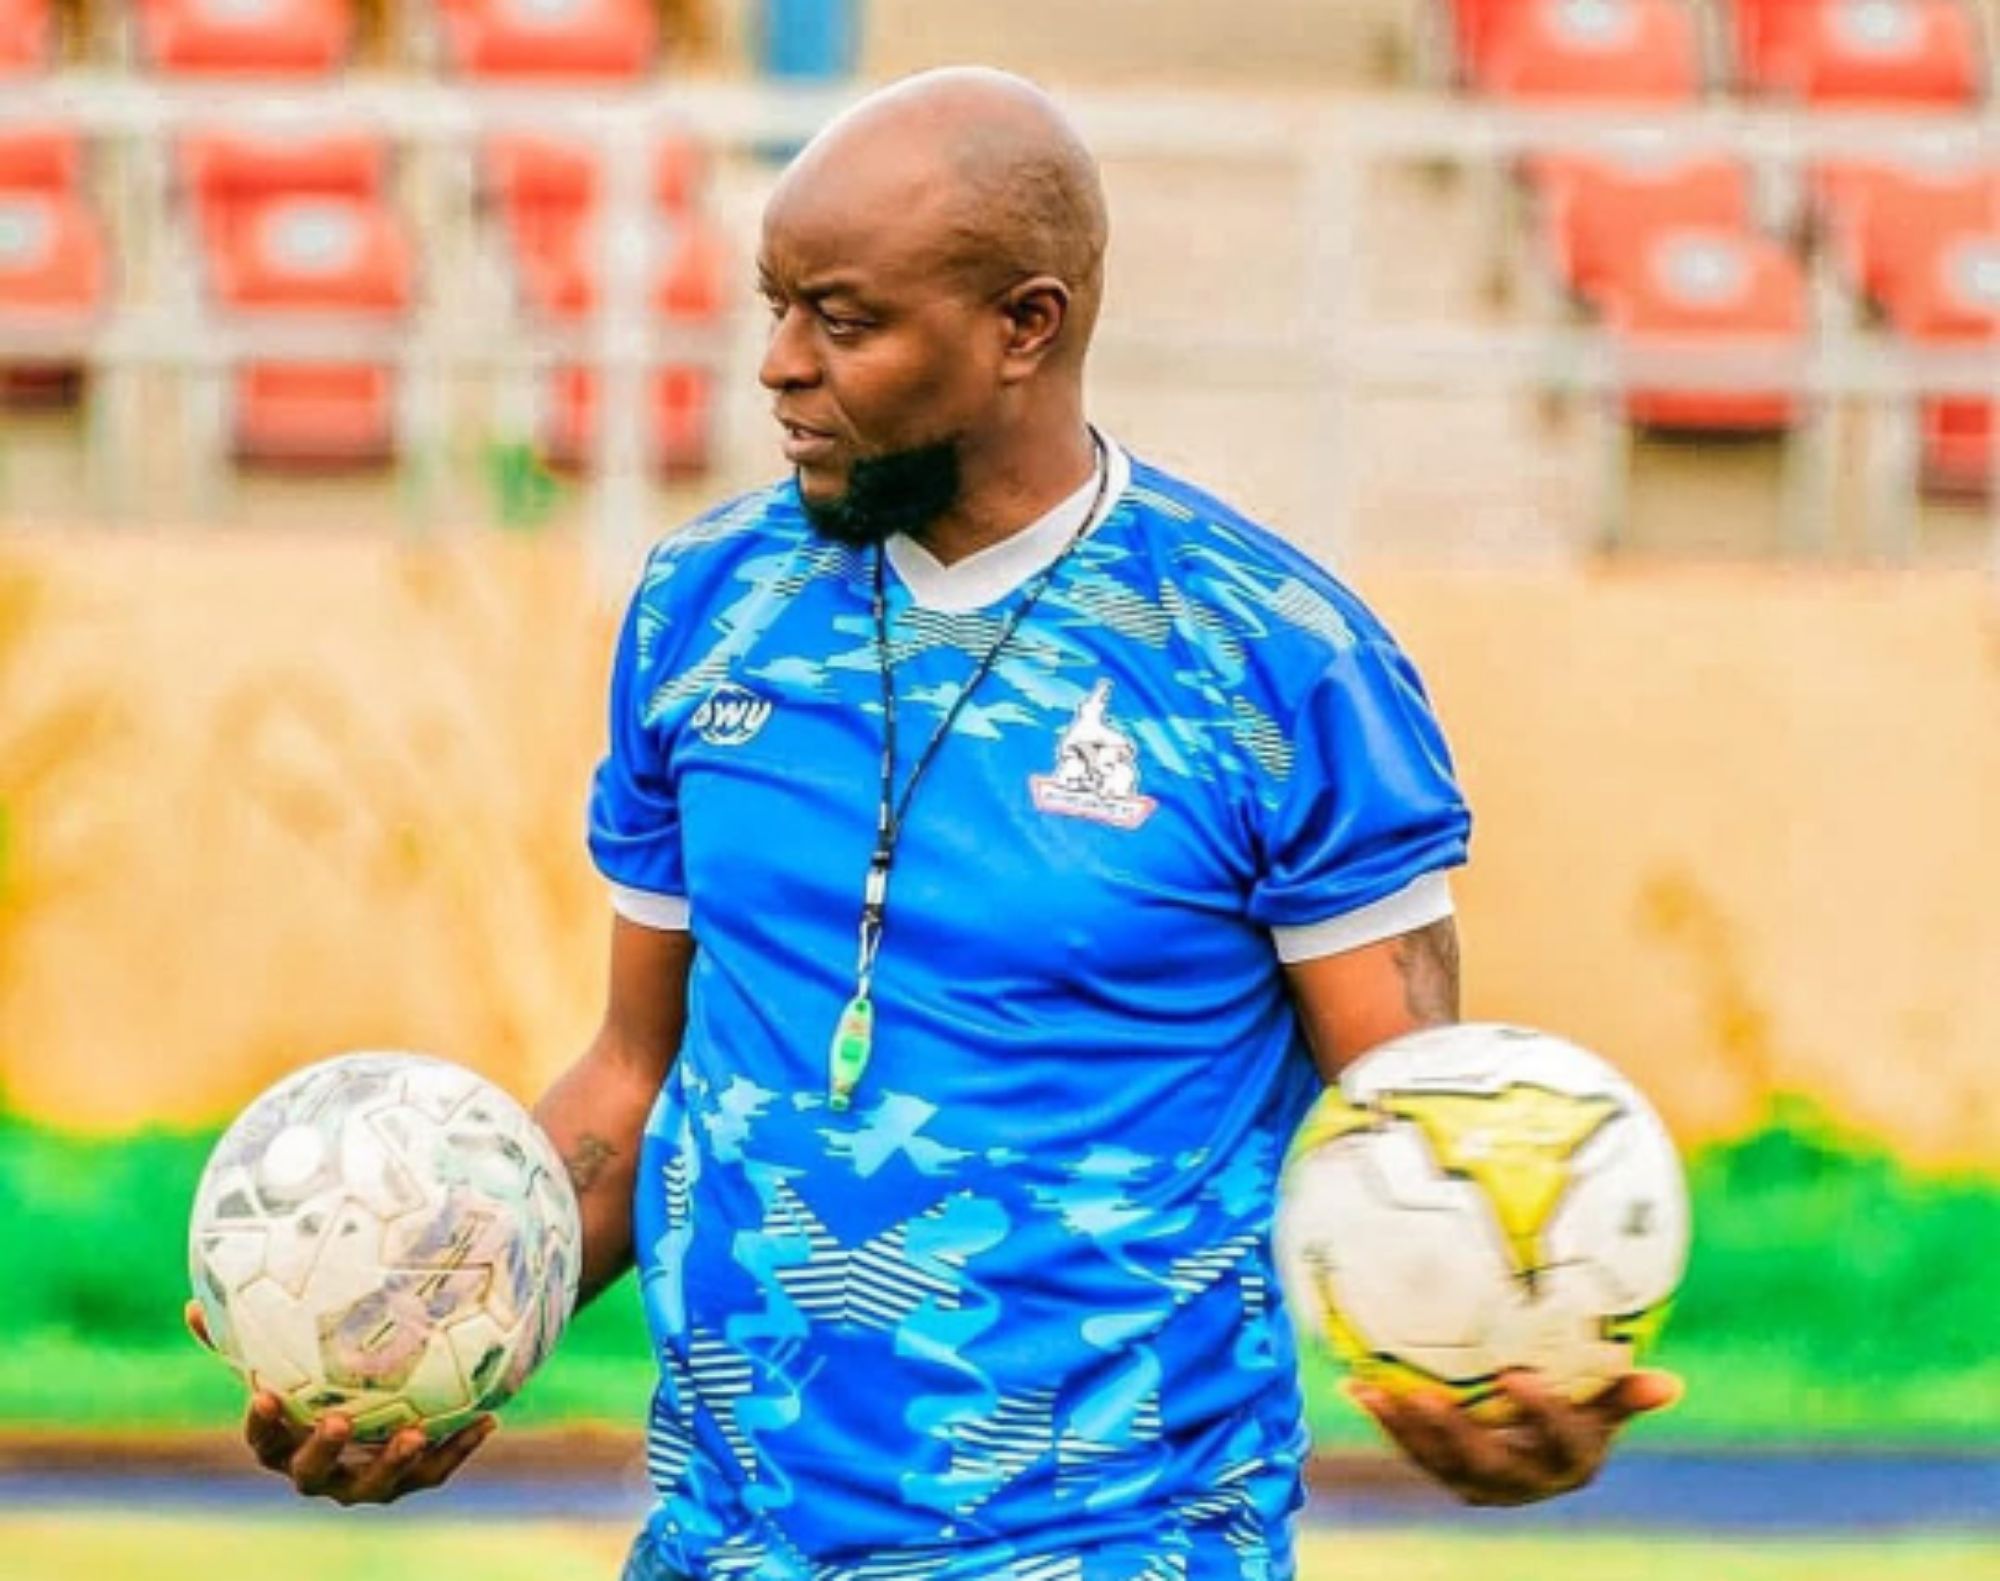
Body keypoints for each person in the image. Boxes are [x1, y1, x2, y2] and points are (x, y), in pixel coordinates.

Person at [188, 66, 1679, 1576]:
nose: (778, 365)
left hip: (1124, 1541)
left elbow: (1412, 1135)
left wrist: (1497, 1377)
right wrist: (442, 1327)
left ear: (1024, 326)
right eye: (774, 306)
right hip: (724, 1543)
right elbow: (638, 1071)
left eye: (841, 320)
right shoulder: (705, 611)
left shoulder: (1277, 661)